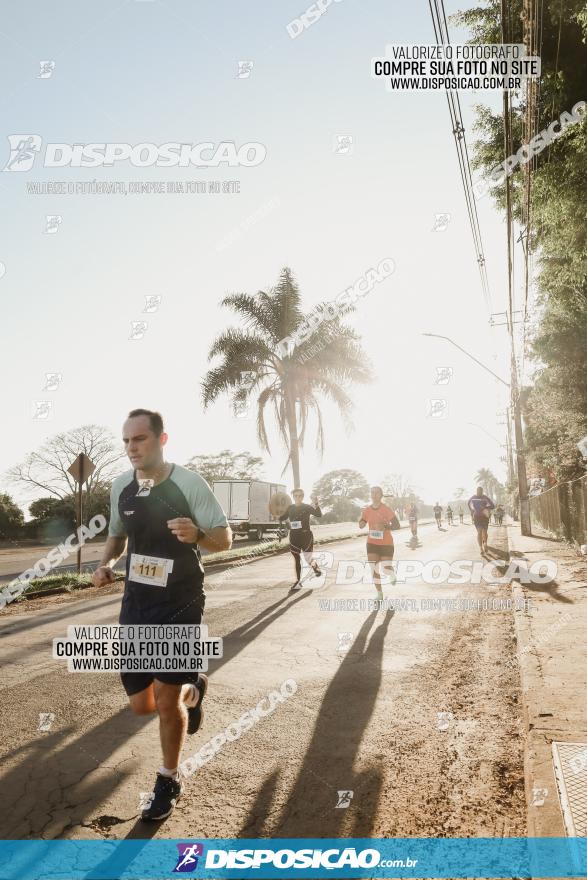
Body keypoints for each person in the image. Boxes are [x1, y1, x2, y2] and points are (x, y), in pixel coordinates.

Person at [92, 409, 232, 821]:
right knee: (142, 704)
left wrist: (199, 535)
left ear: (161, 439)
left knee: (168, 704)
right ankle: (196, 686)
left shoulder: (189, 483)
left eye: (140, 439)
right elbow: (117, 535)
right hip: (137, 602)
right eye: (126, 441)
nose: (132, 448)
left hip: (180, 602)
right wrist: (107, 564)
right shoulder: (121, 486)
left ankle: (168, 778)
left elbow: (224, 539)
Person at [359, 486, 400, 602]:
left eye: (377, 493)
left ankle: (391, 573)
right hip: (372, 543)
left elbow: (397, 525)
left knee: (386, 568)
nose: (374, 495)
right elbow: (361, 525)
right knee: (374, 569)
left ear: (381, 495)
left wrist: (385, 526)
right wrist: (361, 518)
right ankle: (379, 593)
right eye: (372, 492)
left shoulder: (386, 509)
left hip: (386, 543)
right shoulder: (367, 510)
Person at [279, 489, 322, 590]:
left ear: (302, 497)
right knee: (297, 558)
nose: (297, 498)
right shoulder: (290, 508)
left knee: (308, 559)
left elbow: (318, 514)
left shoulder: (307, 507)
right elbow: (282, 517)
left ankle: (316, 568)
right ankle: (298, 581)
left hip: (306, 536)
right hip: (294, 536)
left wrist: (316, 504)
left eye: (300, 496)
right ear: (293, 497)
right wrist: (279, 514)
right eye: (295, 496)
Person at [467, 485, 495, 555]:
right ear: (476, 491)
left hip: (484, 517)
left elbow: (492, 506)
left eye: (481, 491)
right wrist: (472, 510)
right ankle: (481, 548)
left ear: (482, 492)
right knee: (479, 532)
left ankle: (485, 544)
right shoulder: (473, 497)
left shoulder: (485, 497)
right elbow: (468, 503)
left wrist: (485, 507)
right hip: (477, 517)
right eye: (478, 491)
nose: (479, 493)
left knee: (485, 532)